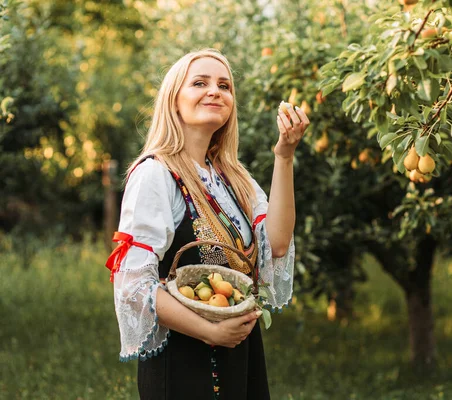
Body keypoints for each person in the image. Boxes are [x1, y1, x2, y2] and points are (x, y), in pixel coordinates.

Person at [104, 48, 309, 399]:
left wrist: (284, 155)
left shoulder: (232, 177)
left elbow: (276, 243)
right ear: (174, 100)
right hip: (185, 359)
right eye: (200, 82)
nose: (215, 90)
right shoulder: (156, 174)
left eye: (224, 85)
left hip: (239, 351)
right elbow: (133, 286)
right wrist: (209, 331)